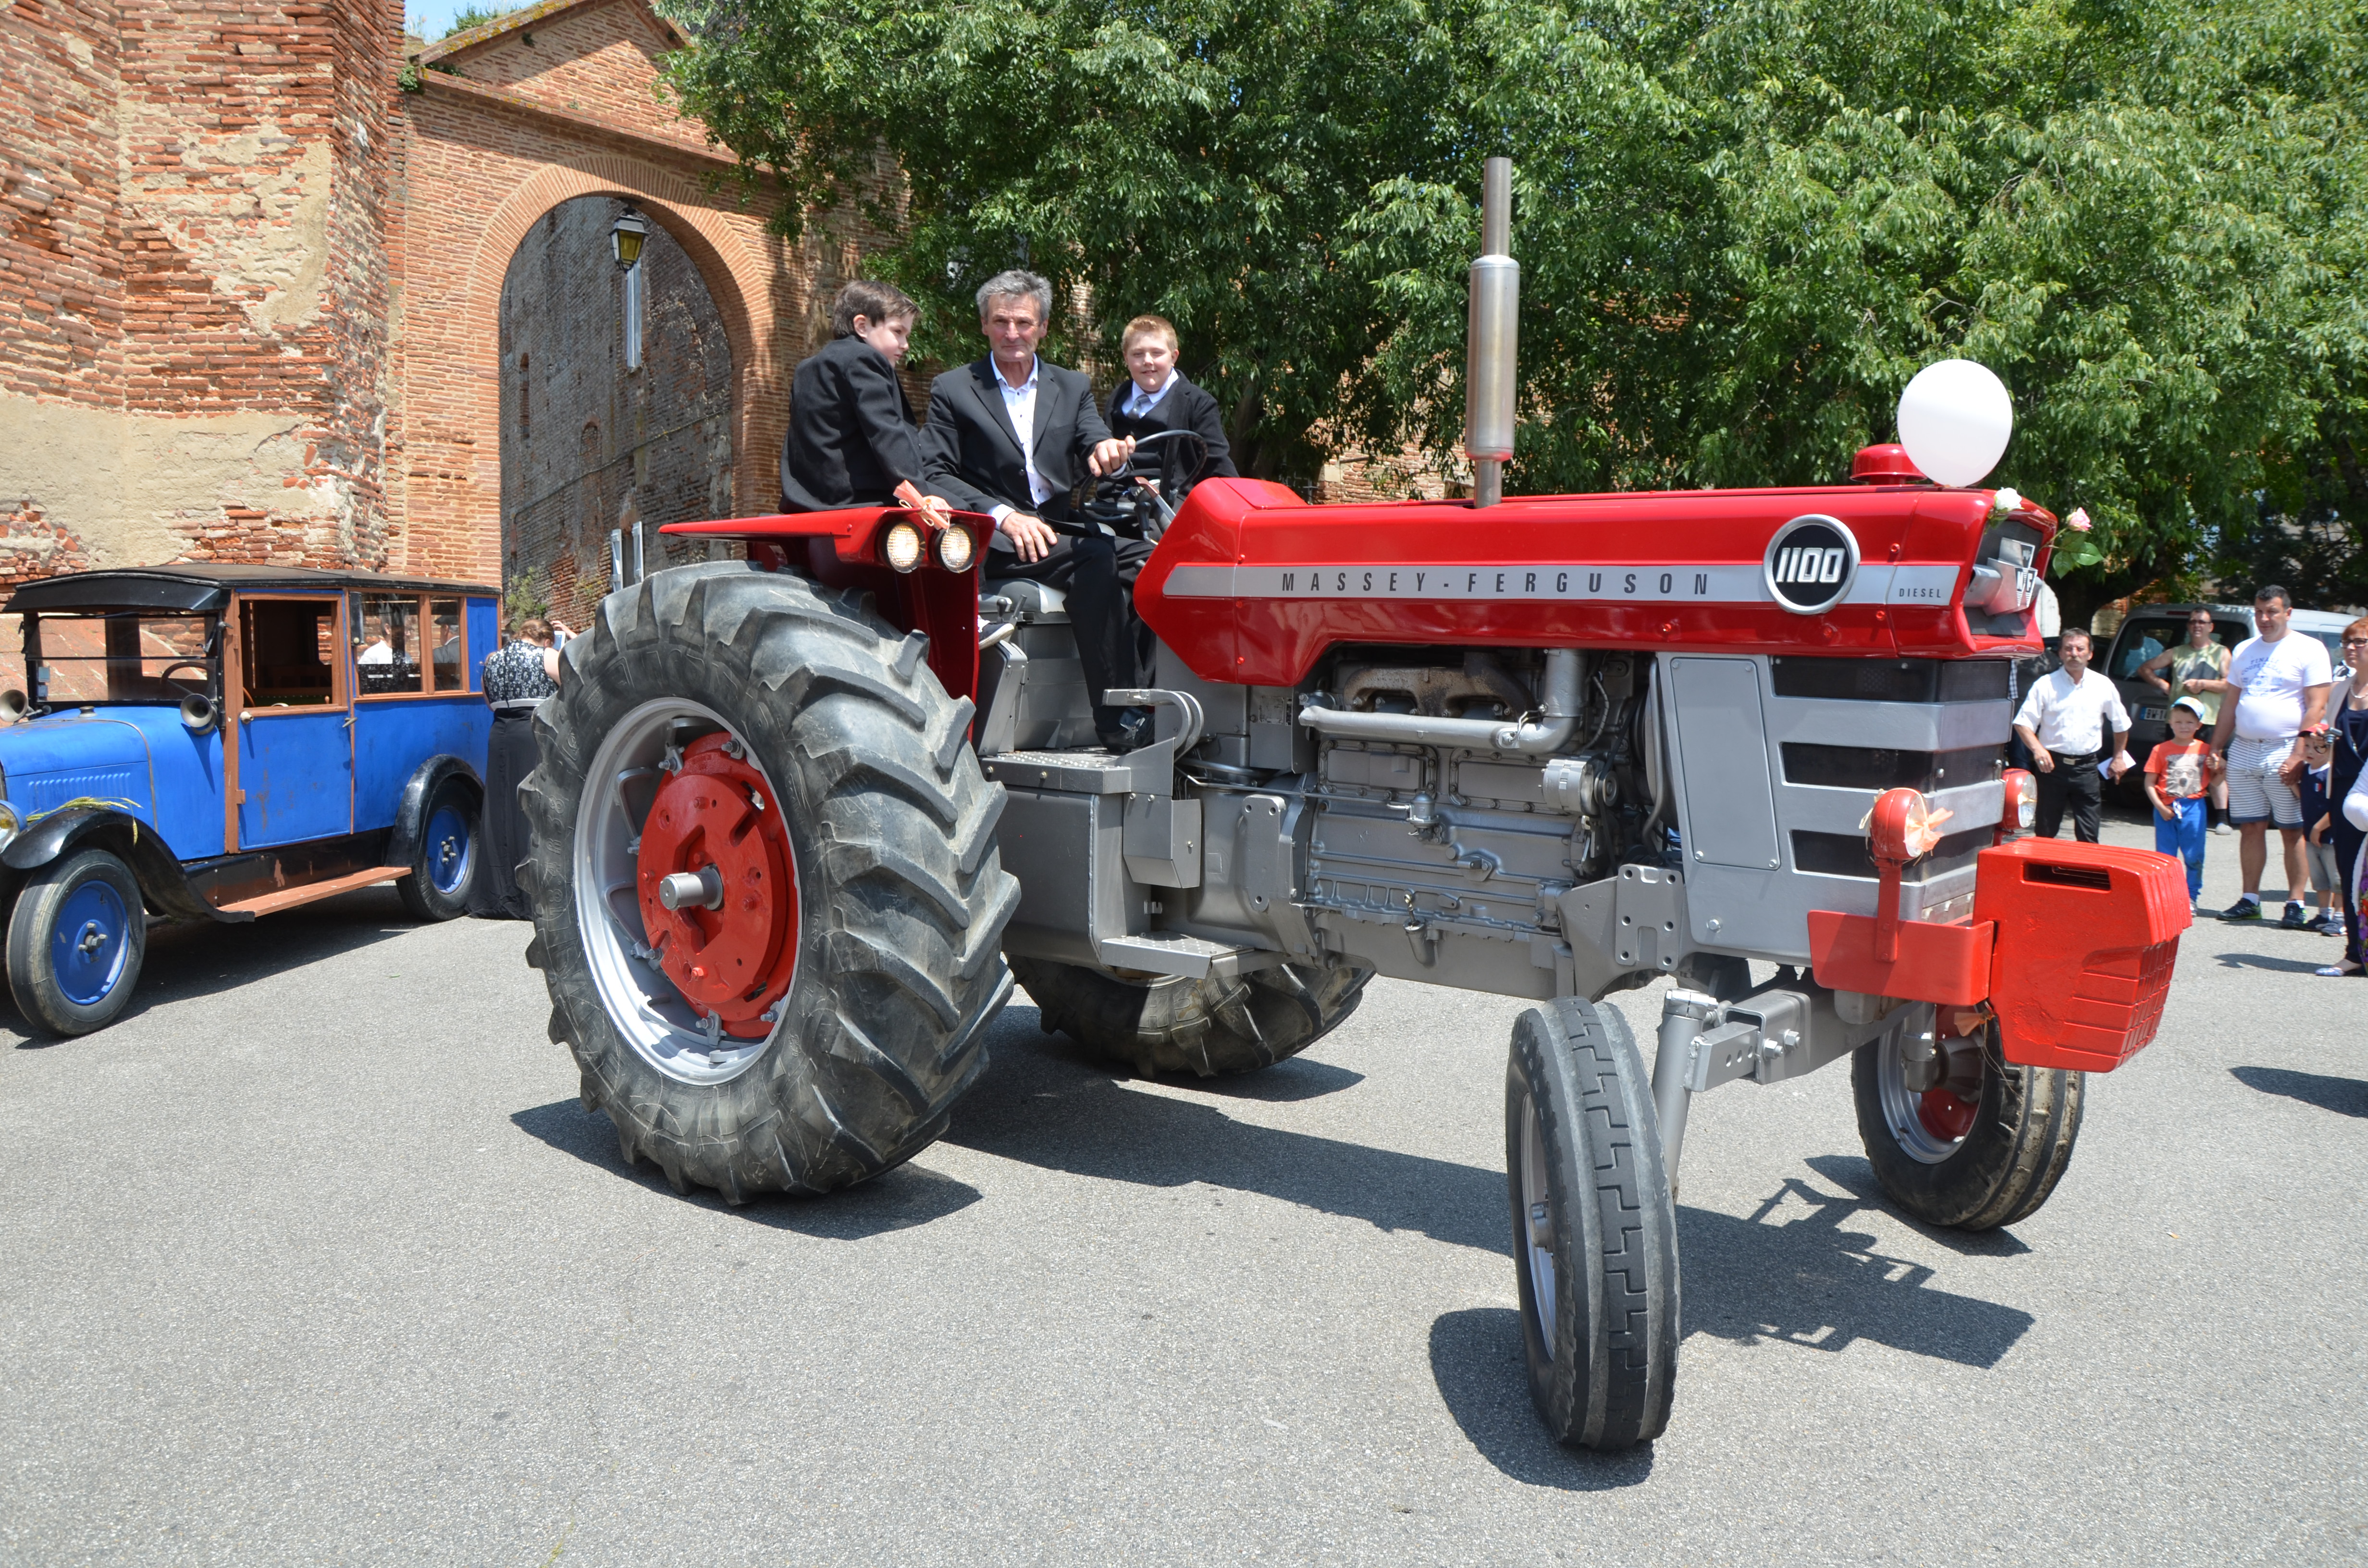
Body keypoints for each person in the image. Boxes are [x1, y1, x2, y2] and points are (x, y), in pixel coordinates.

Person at [922, 270, 1141, 747]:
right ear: (984, 325)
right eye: (1001, 321)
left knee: (1162, 563)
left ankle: (1168, 700)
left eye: (1023, 322)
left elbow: (1094, 439)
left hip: (1060, 528)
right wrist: (1004, 516)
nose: (1012, 333)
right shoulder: (953, 389)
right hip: (999, 538)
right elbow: (934, 472)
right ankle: (1117, 720)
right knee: (1095, 557)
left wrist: (1107, 451)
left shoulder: (1072, 385)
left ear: (1042, 328)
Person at [2209, 585, 2332, 925]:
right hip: (2245, 748)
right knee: (2250, 826)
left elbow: (2317, 706)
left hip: (2286, 747)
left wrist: (2298, 754)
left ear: (2288, 613)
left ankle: (2295, 903)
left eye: (2272, 612)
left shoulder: (2309, 648)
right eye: (2259, 612)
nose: (2265, 619)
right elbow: (2231, 704)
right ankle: (2250, 899)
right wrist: (2216, 747)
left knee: (2292, 830)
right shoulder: (2244, 649)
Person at [779, 280, 951, 515]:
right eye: (898, 332)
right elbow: (885, 431)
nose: (905, 345)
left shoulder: (806, 368)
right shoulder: (864, 359)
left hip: (810, 498)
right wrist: (920, 495)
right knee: (967, 512)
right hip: (860, 496)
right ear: (862, 326)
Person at [471, 617, 558, 920]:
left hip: (500, 734)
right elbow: (575, 690)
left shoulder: (493, 660)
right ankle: (532, 894)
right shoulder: (547, 656)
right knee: (532, 807)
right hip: (532, 731)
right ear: (546, 639)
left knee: (499, 810)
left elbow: (489, 702)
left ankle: (497, 894)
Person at [2012, 627, 2134, 842]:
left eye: (2080, 649)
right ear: (2060, 653)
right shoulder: (2045, 685)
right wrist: (2038, 750)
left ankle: (2085, 866)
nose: (2074, 654)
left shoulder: (2103, 685)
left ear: (2090, 654)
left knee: (2089, 838)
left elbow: (2121, 724)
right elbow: (2023, 723)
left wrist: (2118, 757)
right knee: (2045, 835)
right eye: (2069, 649)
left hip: (2087, 769)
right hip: (2051, 768)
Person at [1103, 315, 1237, 490]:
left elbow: (1218, 465)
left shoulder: (1198, 404)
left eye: (1157, 353)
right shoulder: (1117, 399)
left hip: (1171, 499)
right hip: (1113, 498)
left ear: (1173, 357)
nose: (1147, 361)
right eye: (1138, 354)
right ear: (1126, 359)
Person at [2138, 609, 2233, 831]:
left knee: (2213, 765)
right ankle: (2172, 809)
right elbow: (2145, 668)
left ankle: (2222, 819)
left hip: (2208, 720)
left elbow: (2229, 684)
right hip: (2179, 722)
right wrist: (2164, 686)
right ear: (2189, 626)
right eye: (2193, 622)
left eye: (2202, 622)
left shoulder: (2221, 653)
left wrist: (2202, 684)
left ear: (2211, 627)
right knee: (2176, 766)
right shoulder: (2177, 652)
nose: (2197, 626)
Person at [2317, 619, 2368, 976]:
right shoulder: (2340, 691)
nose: (2350, 648)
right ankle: (2354, 953)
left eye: (2359, 642)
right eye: (2346, 642)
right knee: (2349, 873)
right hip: (2344, 794)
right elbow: (2329, 744)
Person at [2142, 697, 2216, 907]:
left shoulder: (2205, 750)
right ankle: (2167, 898)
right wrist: (2160, 807)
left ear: (2199, 725)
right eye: (2179, 722)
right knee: (2165, 857)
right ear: (2171, 723)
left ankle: (2191, 897)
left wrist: (2221, 767)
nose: (2184, 727)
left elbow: (2217, 781)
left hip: (2194, 807)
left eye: (2190, 722)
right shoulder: (2160, 750)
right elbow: (2149, 783)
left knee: (2194, 855)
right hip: (2165, 808)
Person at [2299, 726, 2344, 933]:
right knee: (2319, 880)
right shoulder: (2306, 771)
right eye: (2307, 746)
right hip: (2311, 836)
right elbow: (2305, 798)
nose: (2310, 751)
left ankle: (2340, 917)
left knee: (2337, 880)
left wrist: (2318, 828)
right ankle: (2323, 914)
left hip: (2330, 837)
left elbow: (2337, 807)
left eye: (2318, 747)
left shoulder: (2332, 774)